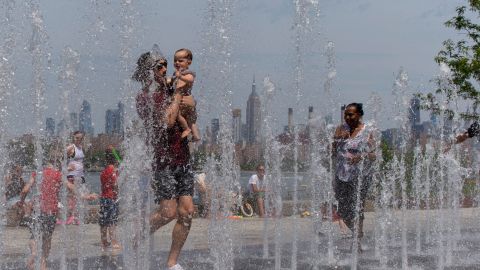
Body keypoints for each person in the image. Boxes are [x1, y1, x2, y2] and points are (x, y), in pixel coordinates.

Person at [135, 49, 197, 270]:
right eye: (158, 66)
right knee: (168, 212)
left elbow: (191, 110)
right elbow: (168, 122)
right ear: (147, 72)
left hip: (183, 158)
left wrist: (189, 107)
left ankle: (172, 262)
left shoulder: (173, 86)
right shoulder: (144, 98)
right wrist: (179, 96)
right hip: (163, 162)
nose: (164, 69)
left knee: (187, 212)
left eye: (164, 64)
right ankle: (138, 233)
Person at [332, 103, 376, 250]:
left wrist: (361, 157)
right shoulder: (340, 129)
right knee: (341, 209)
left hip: (360, 176)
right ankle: (358, 232)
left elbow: (374, 155)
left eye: (351, 114)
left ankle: (356, 242)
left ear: (359, 115)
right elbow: (331, 152)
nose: (347, 117)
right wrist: (337, 139)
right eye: (346, 114)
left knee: (357, 208)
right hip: (341, 175)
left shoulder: (366, 131)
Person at [26, 157, 71, 270]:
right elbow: (70, 187)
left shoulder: (37, 174)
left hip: (38, 210)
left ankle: (34, 253)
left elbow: (25, 190)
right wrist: (83, 196)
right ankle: (43, 264)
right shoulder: (58, 174)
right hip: (51, 212)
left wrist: (22, 200)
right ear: (56, 165)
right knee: (47, 238)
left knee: (34, 235)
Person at [64, 131, 97, 225]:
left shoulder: (81, 148)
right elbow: (58, 158)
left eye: (80, 138)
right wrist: (67, 168)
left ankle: (76, 216)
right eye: (77, 138)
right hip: (72, 175)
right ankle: (71, 217)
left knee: (79, 195)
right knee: (73, 196)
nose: (78, 140)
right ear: (73, 138)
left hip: (80, 175)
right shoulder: (71, 147)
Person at [170, 48, 200, 141]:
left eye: (180, 60)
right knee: (191, 120)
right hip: (188, 101)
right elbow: (172, 80)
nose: (177, 63)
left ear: (189, 62)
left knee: (178, 114)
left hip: (185, 100)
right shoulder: (177, 74)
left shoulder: (188, 73)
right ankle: (196, 135)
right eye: (175, 60)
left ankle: (186, 129)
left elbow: (190, 80)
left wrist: (181, 77)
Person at [99, 147, 121, 251]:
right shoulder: (114, 171)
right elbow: (116, 184)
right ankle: (114, 242)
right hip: (112, 198)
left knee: (104, 221)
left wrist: (112, 151)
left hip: (103, 198)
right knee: (112, 221)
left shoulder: (104, 171)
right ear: (115, 160)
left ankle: (104, 241)